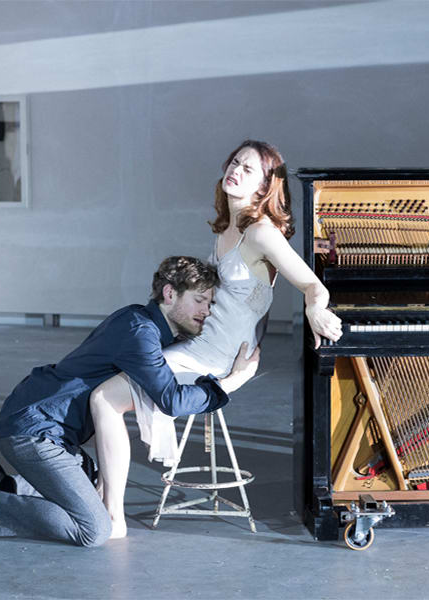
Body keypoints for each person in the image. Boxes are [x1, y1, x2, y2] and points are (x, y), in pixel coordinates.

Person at [91, 140, 343, 539]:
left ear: (265, 188)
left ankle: (112, 518)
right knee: (106, 378)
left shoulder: (261, 233)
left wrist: (315, 309)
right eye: (234, 162)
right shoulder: (228, 229)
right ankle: (98, 501)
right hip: (200, 347)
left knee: (104, 398)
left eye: (249, 169)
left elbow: (312, 285)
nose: (236, 170)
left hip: (218, 358)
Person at [0, 256, 260, 547]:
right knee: (94, 530)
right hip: (33, 431)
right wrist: (229, 383)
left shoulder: (138, 320)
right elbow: (170, 399)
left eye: (210, 304)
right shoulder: (140, 334)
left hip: (49, 428)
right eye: (200, 301)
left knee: (94, 477)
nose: (207, 311)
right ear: (170, 294)